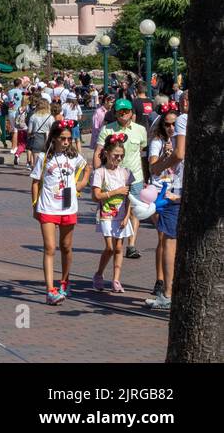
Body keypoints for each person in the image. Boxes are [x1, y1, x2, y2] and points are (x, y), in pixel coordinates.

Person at [31, 120, 90, 304]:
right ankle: (50, 290)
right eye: (63, 138)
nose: (66, 142)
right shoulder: (44, 157)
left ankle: (65, 281)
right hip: (48, 206)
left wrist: (81, 184)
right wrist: (34, 205)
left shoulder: (74, 157)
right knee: (49, 247)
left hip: (68, 206)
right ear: (54, 138)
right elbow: (35, 182)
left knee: (66, 247)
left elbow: (87, 167)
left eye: (69, 139)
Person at [145, 95, 186, 310]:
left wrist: (173, 156)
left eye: (173, 124)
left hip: (176, 191)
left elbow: (180, 156)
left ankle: (168, 289)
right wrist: (164, 157)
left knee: (170, 238)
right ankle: (161, 282)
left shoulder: (184, 135)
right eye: (167, 124)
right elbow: (153, 166)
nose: (171, 128)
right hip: (161, 192)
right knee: (164, 237)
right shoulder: (159, 141)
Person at [95, 98, 149, 260]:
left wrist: (147, 177)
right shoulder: (108, 130)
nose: (124, 113)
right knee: (117, 209)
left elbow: (142, 152)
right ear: (115, 113)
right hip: (113, 177)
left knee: (134, 210)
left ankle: (131, 245)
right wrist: (98, 175)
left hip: (135, 176)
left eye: (126, 110)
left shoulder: (140, 130)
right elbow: (98, 153)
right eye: (120, 111)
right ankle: (118, 242)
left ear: (132, 112)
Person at [90, 134, 133, 293]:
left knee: (119, 247)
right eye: (116, 155)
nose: (119, 159)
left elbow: (129, 197)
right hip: (106, 214)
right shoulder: (100, 173)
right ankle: (99, 274)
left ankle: (116, 279)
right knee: (109, 248)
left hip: (121, 215)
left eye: (121, 156)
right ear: (107, 153)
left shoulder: (125, 172)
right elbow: (96, 196)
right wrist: (116, 192)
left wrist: (128, 215)